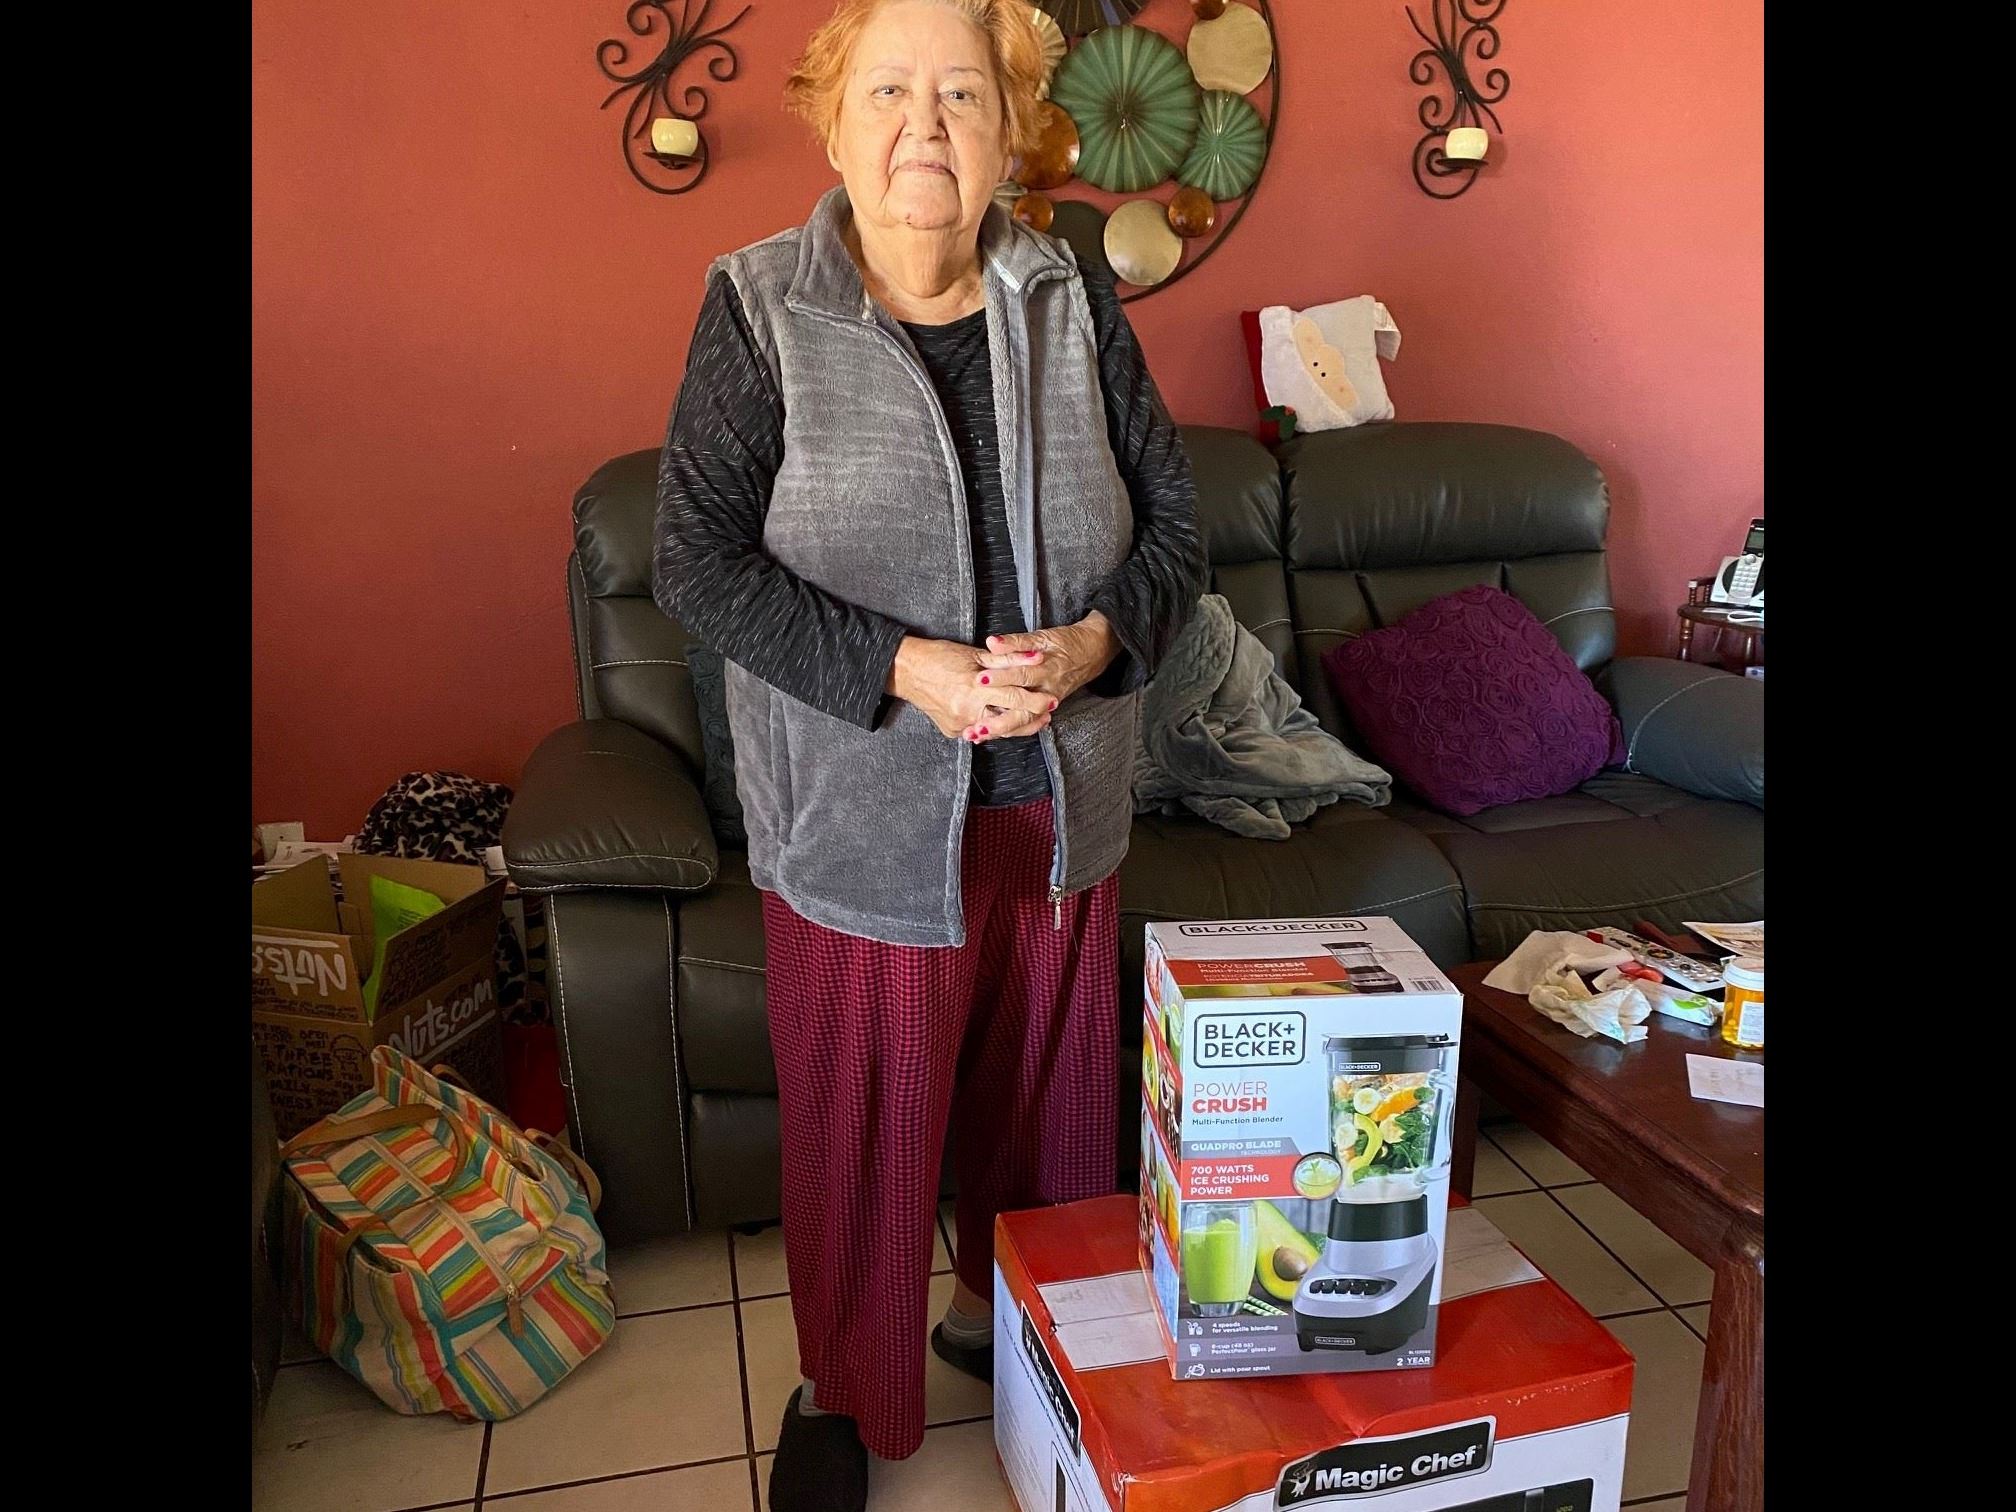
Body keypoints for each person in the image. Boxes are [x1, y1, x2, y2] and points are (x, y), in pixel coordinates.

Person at [652, 3, 1204, 1506]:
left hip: (1060, 800)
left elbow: (1177, 527)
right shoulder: (761, 303)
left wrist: (1089, 651)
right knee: (867, 1123)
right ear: (832, 121)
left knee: (1045, 1105)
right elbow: (695, 559)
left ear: (1013, 128)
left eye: (964, 92)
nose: (926, 126)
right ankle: (846, 1392)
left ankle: (1006, 1334)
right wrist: (904, 671)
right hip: (861, 816)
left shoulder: (1071, 292)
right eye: (889, 89)